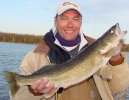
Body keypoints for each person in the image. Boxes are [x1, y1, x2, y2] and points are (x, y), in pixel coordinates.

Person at [11, 0, 129, 100]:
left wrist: (116, 59)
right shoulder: (34, 57)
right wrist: (34, 92)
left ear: (80, 22)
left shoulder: (97, 49)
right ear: (55, 21)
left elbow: (119, 87)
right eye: (64, 18)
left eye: (75, 19)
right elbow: (17, 97)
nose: (70, 24)